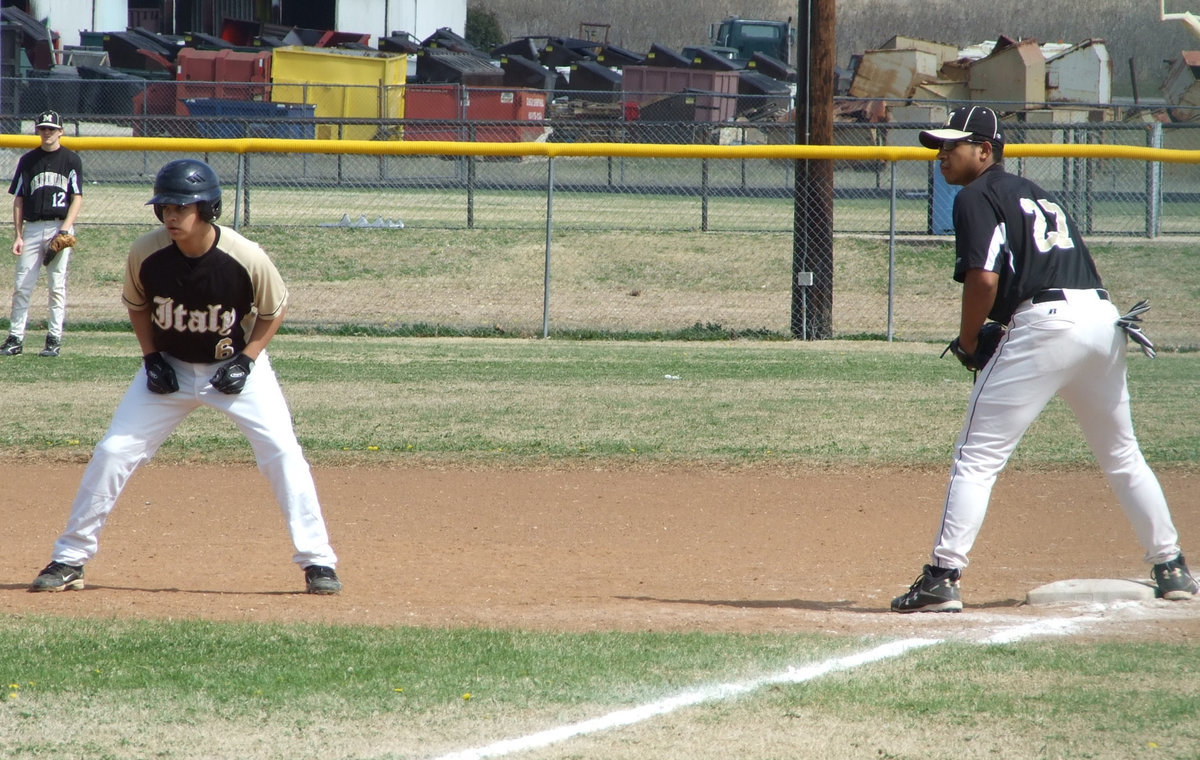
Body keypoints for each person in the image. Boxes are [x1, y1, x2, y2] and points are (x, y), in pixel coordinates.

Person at [891, 106, 1197, 613]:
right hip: (1103, 320)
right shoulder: (1037, 192)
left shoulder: (975, 194)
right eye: (939, 147)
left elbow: (984, 279)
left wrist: (969, 342)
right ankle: (1172, 567)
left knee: (977, 456)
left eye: (953, 146)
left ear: (984, 151)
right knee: (1122, 454)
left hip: (1048, 322)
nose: (942, 155)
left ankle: (942, 577)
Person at [30, 158, 342, 595]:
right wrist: (151, 357)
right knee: (113, 452)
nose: (171, 215)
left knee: (283, 454)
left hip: (234, 368)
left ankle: (318, 563)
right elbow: (137, 305)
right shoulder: (146, 252)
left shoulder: (245, 256)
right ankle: (70, 558)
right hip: (169, 370)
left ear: (208, 209)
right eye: (165, 207)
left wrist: (249, 359)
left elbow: (274, 311)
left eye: (181, 206)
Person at [4, 110, 82, 357]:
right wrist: (18, 234)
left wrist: (65, 229)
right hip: (34, 227)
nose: (47, 132)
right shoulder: (27, 161)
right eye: (43, 128)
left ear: (61, 131)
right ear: (37, 130)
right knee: (22, 284)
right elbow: (19, 199)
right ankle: (15, 338)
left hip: (58, 225)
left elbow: (76, 197)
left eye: (51, 128)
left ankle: (53, 340)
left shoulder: (71, 160)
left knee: (56, 286)